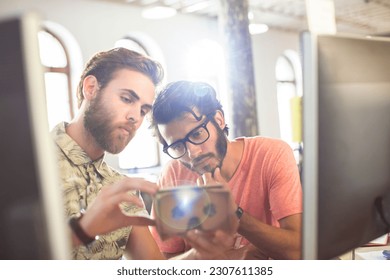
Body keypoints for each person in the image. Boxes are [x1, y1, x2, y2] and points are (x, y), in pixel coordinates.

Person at [51, 48, 235, 260]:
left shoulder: (122, 189)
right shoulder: (22, 164)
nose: (135, 118)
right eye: (127, 99)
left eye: (143, 110)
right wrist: (80, 232)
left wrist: (199, 255)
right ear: (91, 88)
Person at [149, 80, 303, 260]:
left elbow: (297, 250)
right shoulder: (173, 176)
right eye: (176, 146)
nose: (192, 153)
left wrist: (234, 214)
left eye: (197, 134)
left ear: (219, 120)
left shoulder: (271, 154)